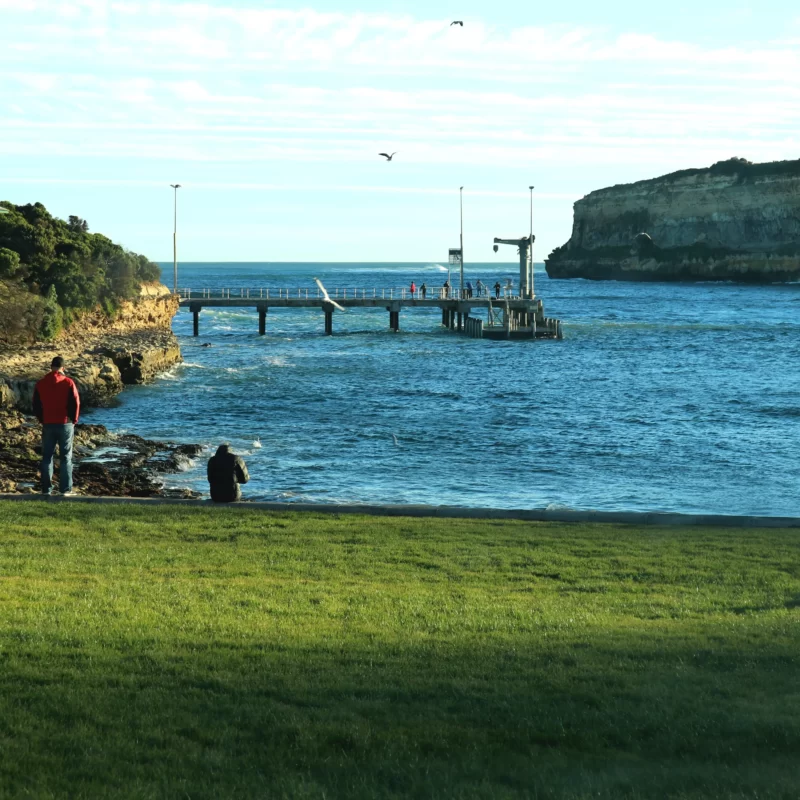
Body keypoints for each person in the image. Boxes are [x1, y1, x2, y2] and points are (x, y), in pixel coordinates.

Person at [33, 356, 80, 496]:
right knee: (65, 457)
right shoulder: (68, 382)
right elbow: (76, 402)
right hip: (65, 422)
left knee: (47, 456)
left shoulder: (41, 383)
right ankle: (65, 490)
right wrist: (74, 419)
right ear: (63, 368)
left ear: (51, 367)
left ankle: (46, 489)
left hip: (48, 422)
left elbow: (35, 404)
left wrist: (41, 419)